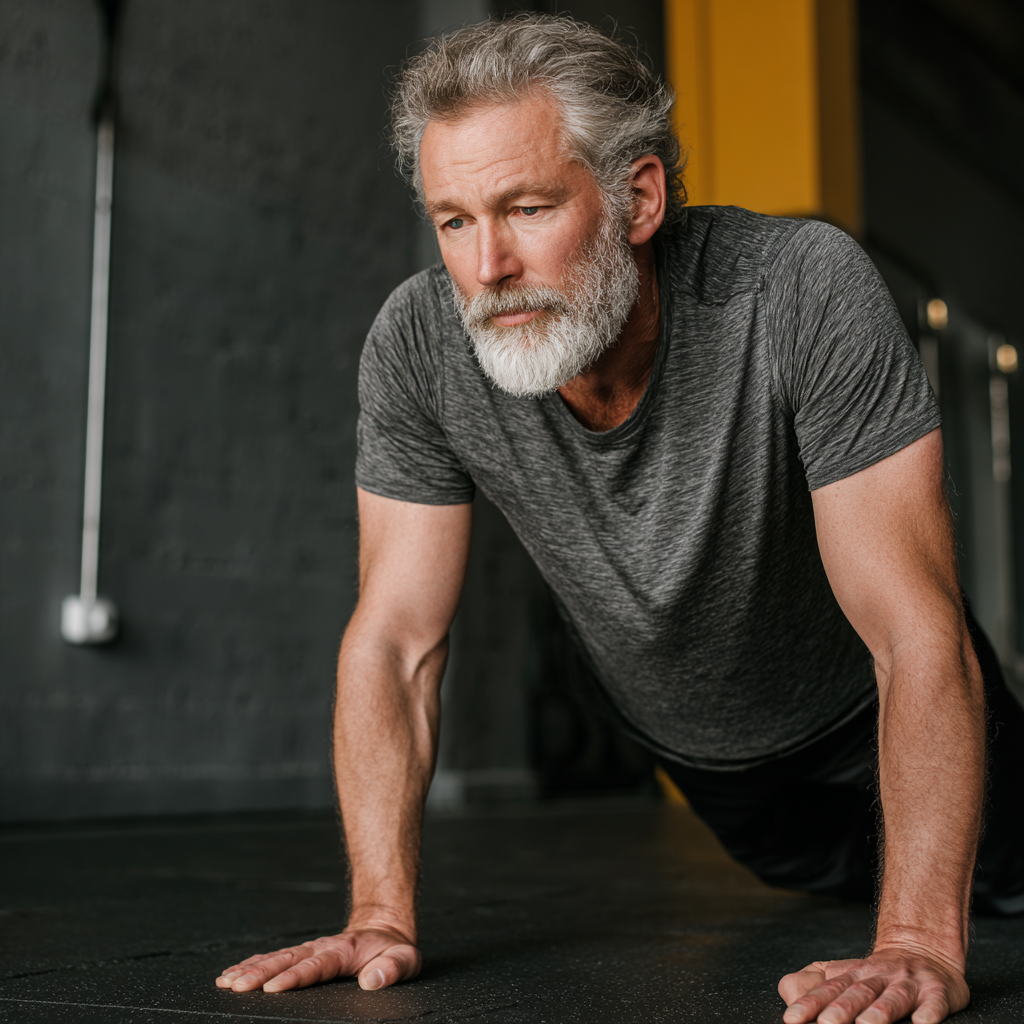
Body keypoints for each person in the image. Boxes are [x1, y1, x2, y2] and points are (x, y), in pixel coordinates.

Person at [215, 15, 1024, 1024]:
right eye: (454, 220)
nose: (488, 265)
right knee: (824, 892)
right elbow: (394, 641)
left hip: (879, 713)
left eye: (525, 207)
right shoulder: (419, 347)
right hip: (713, 772)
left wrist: (915, 944)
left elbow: (914, 631)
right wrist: (379, 915)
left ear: (638, 197)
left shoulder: (797, 291)